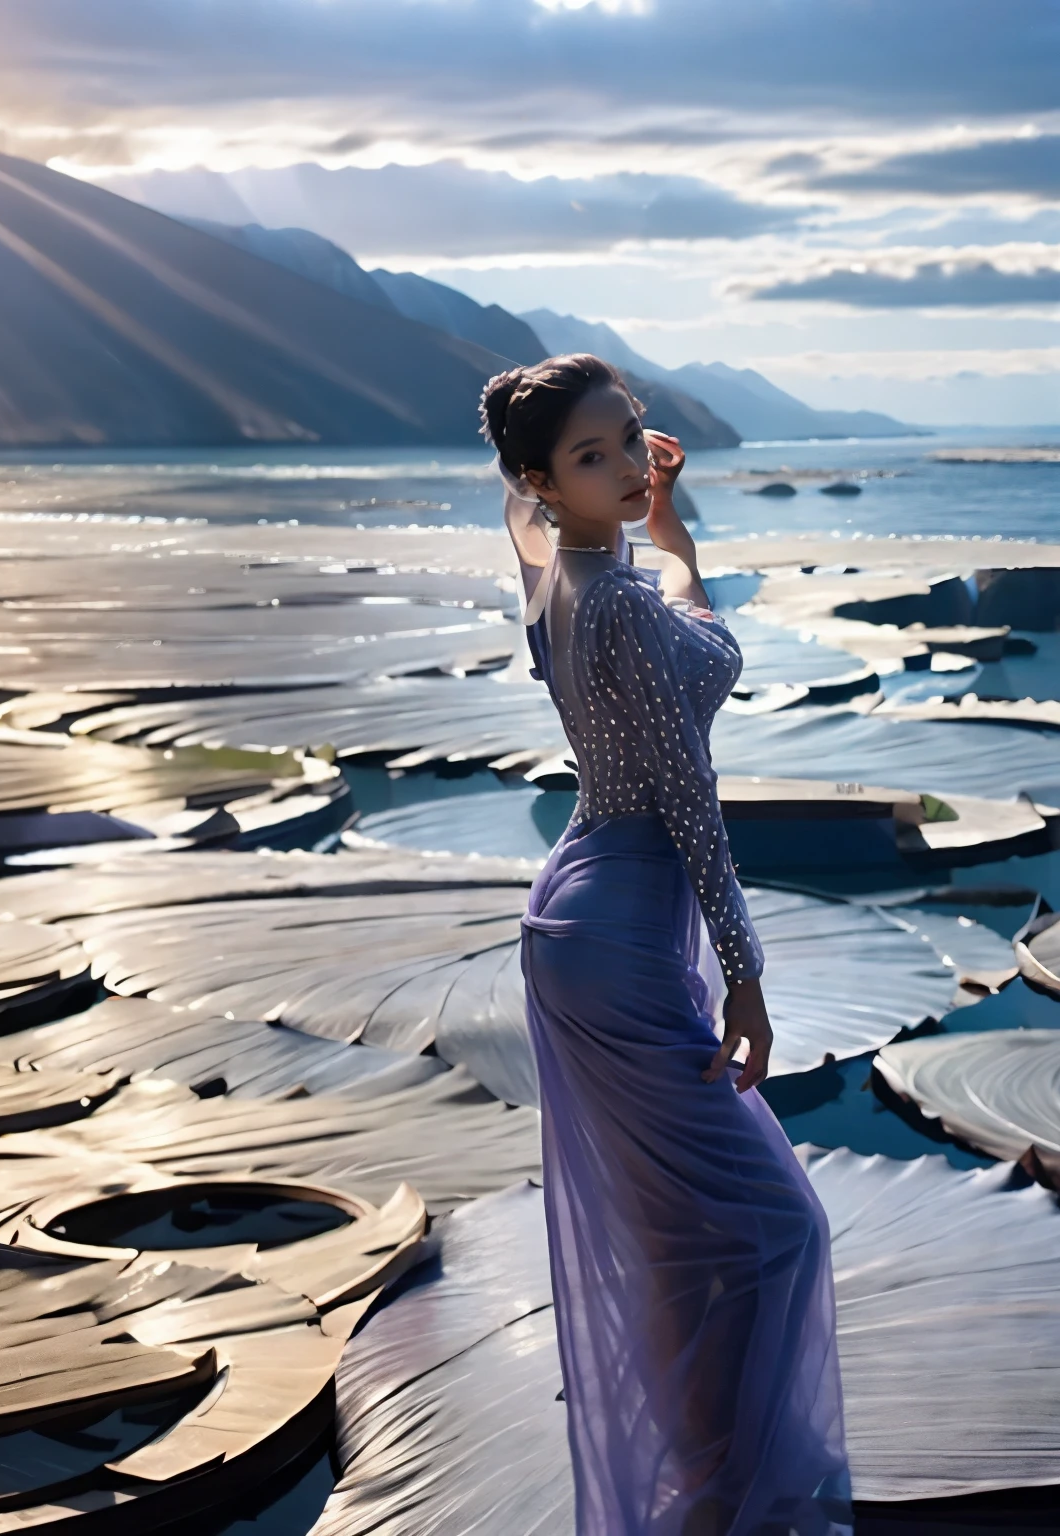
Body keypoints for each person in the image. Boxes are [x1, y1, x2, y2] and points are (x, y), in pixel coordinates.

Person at [480, 356, 851, 1536]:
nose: (631, 460)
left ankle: (705, 1484)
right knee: (779, 1229)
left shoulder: (555, 571)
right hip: (633, 924)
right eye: (597, 453)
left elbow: (670, 591)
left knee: (676, 1240)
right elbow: (694, 804)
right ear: (544, 477)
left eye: (633, 436)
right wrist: (743, 975)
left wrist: (659, 513)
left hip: (575, 913)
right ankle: (726, 1499)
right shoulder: (626, 609)